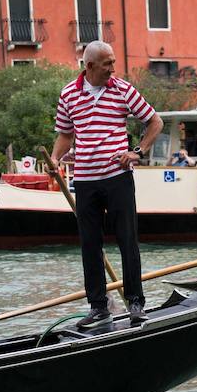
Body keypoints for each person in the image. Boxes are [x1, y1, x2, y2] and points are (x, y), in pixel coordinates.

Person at [52, 41, 164, 328]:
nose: (113, 69)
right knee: (90, 245)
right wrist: (54, 158)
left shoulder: (123, 90)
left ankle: (136, 302)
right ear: (89, 66)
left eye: (113, 63)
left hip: (117, 179)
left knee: (127, 240)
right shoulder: (68, 94)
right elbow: (65, 135)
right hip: (86, 181)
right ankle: (99, 307)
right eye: (107, 64)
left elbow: (155, 122)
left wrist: (137, 151)